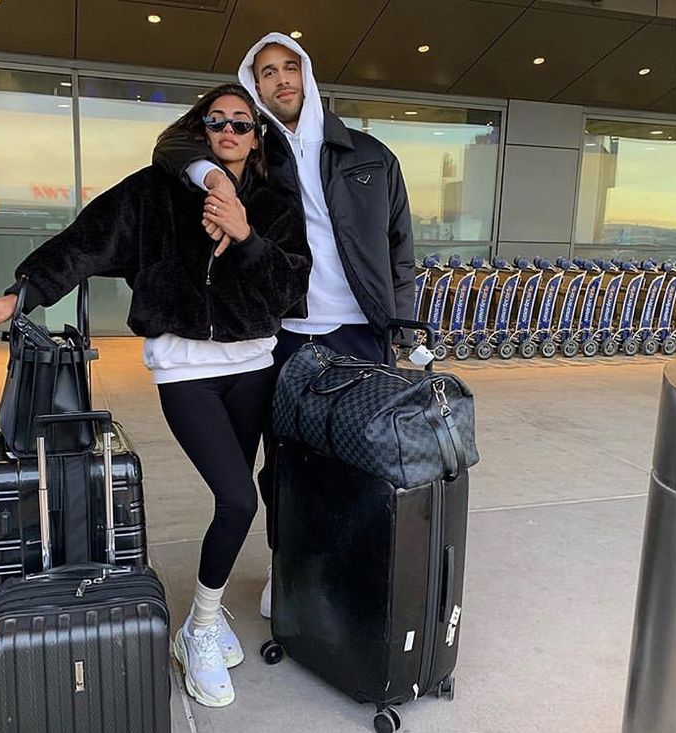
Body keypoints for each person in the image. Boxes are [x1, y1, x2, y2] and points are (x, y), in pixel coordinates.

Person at [0, 83, 311, 709]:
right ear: (201, 128)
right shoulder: (154, 194)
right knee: (235, 499)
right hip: (184, 370)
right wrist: (20, 295)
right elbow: (84, 242)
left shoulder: (275, 201)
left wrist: (246, 233)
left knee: (247, 492)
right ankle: (201, 627)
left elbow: (289, 285)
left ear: (258, 137)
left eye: (242, 123)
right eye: (218, 121)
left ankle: (208, 614)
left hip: (253, 366)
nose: (230, 131)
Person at [153, 32, 416, 618]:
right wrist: (214, 176)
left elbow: (401, 248)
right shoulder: (254, 159)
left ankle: (348, 569)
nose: (281, 79)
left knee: (359, 457)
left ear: (308, 74)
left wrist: (401, 325)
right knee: (286, 463)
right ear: (255, 86)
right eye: (266, 72)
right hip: (288, 332)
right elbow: (171, 144)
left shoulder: (371, 156)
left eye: (288, 67)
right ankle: (286, 566)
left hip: (361, 331)